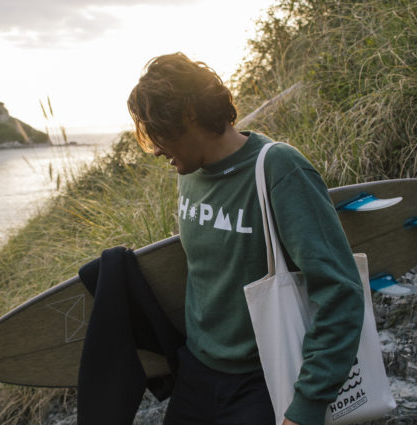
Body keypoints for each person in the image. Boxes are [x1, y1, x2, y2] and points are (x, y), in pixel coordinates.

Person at [127, 52, 365, 425]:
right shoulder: (189, 173)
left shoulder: (278, 168)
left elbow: (341, 291)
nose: (156, 149)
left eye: (159, 133)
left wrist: (307, 404)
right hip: (197, 371)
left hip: (262, 380)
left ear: (189, 114)